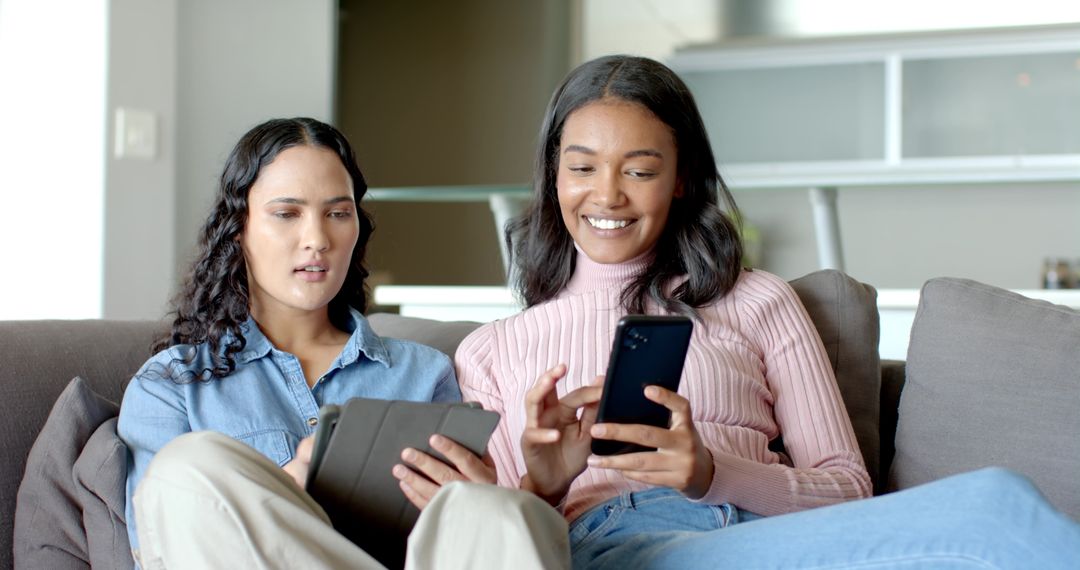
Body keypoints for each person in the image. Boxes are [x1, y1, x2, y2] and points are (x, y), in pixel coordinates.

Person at [454, 55, 1080, 568]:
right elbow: (499, 548)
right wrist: (545, 486)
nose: (607, 194)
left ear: (679, 178)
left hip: (767, 539)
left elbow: (847, 488)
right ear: (553, 174)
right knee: (992, 509)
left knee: (995, 503)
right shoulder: (492, 351)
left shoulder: (758, 301)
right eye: (582, 167)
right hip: (620, 546)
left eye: (640, 170)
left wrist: (711, 473)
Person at [117, 117, 569, 569]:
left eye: (337, 213)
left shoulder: (424, 373)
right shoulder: (172, 385)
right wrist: (285, 492)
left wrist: (477, 498)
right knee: (187, 466)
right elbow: (157, 550)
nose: (317, 239)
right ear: (239, 229)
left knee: (497, 510)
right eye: (287, 213)